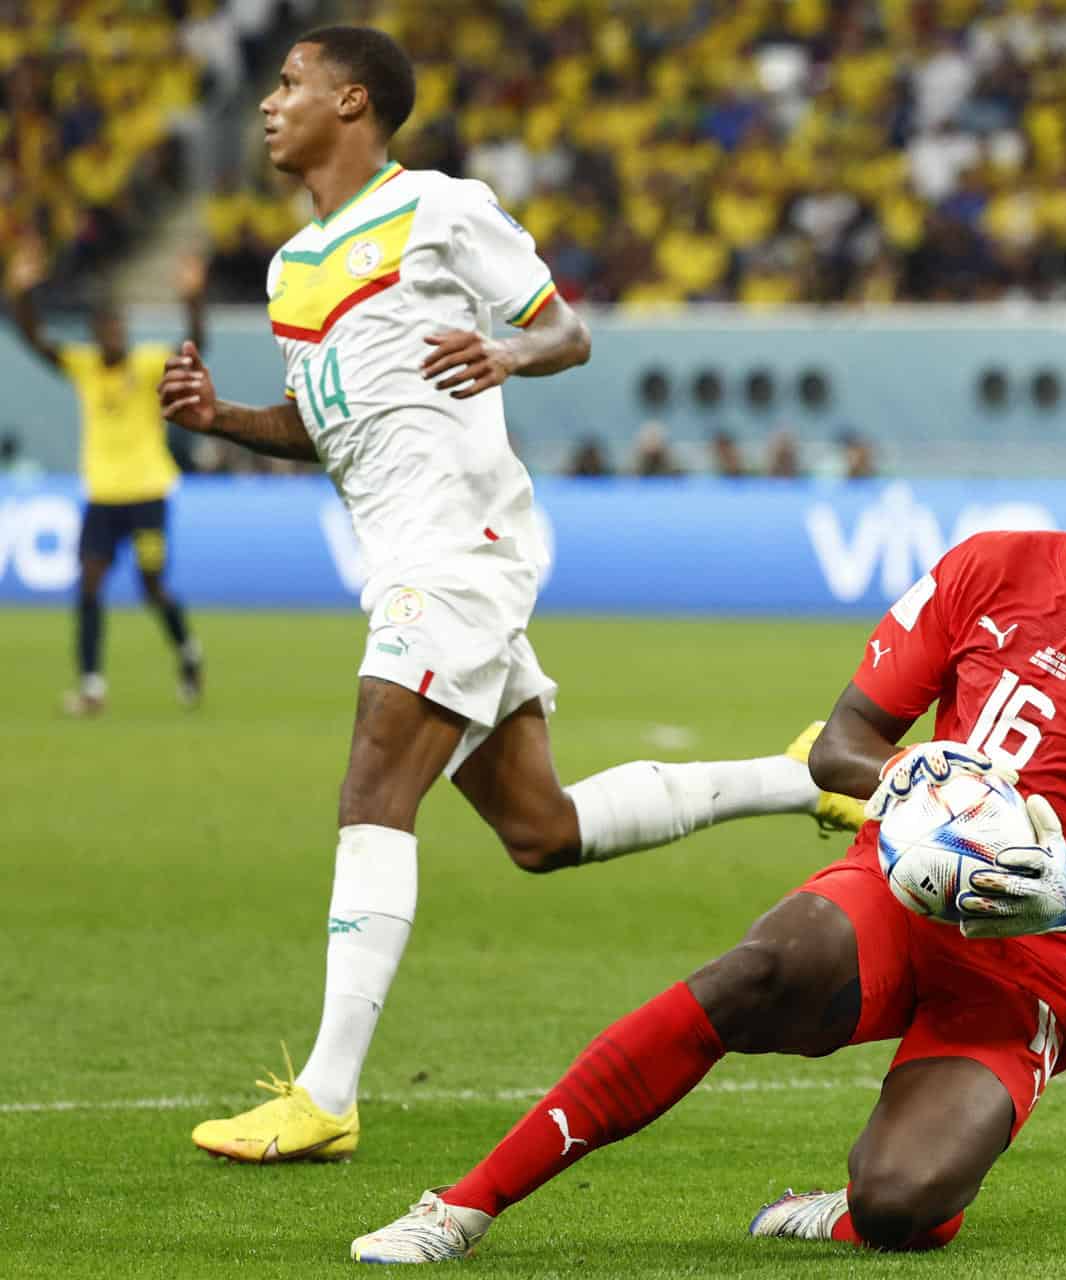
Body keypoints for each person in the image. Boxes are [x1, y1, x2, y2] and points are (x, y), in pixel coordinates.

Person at [345, 379, 1066, 1263]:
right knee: (748, 976)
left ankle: (864, 1214)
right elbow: (841, 746)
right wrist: (923, 784)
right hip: (897, 895)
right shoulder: (985, 567)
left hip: (1039, 966)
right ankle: (463, 1206)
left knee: (898, 1202)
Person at [159, 26, 860, 1166]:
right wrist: (222, 420)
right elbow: (322, 423)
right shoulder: (290, 272)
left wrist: (504, 355)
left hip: (463, 548)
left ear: (351, 101)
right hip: (404, 557)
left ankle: (327, 1092)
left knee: (375, 784)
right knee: (543, 827)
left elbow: (562, 329)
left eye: (287, 85)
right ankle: (806, 773)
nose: (268, 104)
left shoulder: (437, 208)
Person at [5, 242, 206, 715]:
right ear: (96, 335)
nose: (115, 336)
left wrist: (193, 298)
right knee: (90, 585)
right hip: (102, 495)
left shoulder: (147, 363)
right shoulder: (84, 367)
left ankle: (187, 653)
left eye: (120, 329)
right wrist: (19, 294)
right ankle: (92, 686)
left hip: (148, 491)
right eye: (107, 330)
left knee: (152, 586)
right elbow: (34, 339)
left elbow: (197, 344)